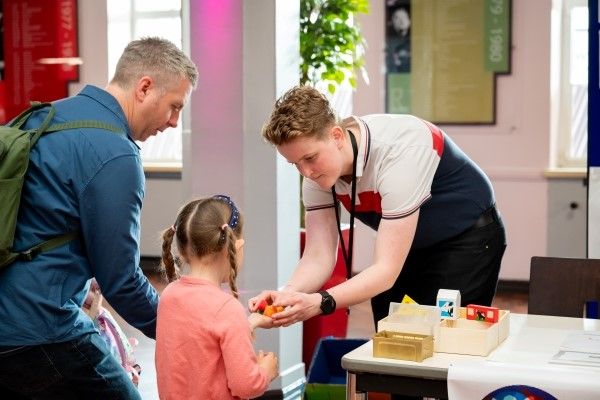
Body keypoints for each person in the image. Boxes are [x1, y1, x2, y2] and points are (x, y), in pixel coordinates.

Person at [0, 37, 198, 399]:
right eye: (174, 106)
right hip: (43, 328)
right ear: (144, 88)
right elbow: (122, 280)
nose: (173, 122)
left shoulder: (42, 117)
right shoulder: (116, 155)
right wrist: (182, 330)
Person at [251, 85, 506, 331]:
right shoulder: (317, 175)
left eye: (310, 158)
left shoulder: (401, 152)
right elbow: (318, 255)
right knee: (390, 338)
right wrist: (286, 295)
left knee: (446, 340)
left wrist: (322, 302)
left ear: (337, 136)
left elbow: (386, 271)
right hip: (412, 243)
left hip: (467, 237)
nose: (306, 172)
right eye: (295, 163)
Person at [155, 195, 279, 400]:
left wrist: (250, 323)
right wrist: (266, 371)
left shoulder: (169, 296)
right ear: (237, 248)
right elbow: (245, 386)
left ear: (183, 251)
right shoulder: (227, 309)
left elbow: (202, 343)